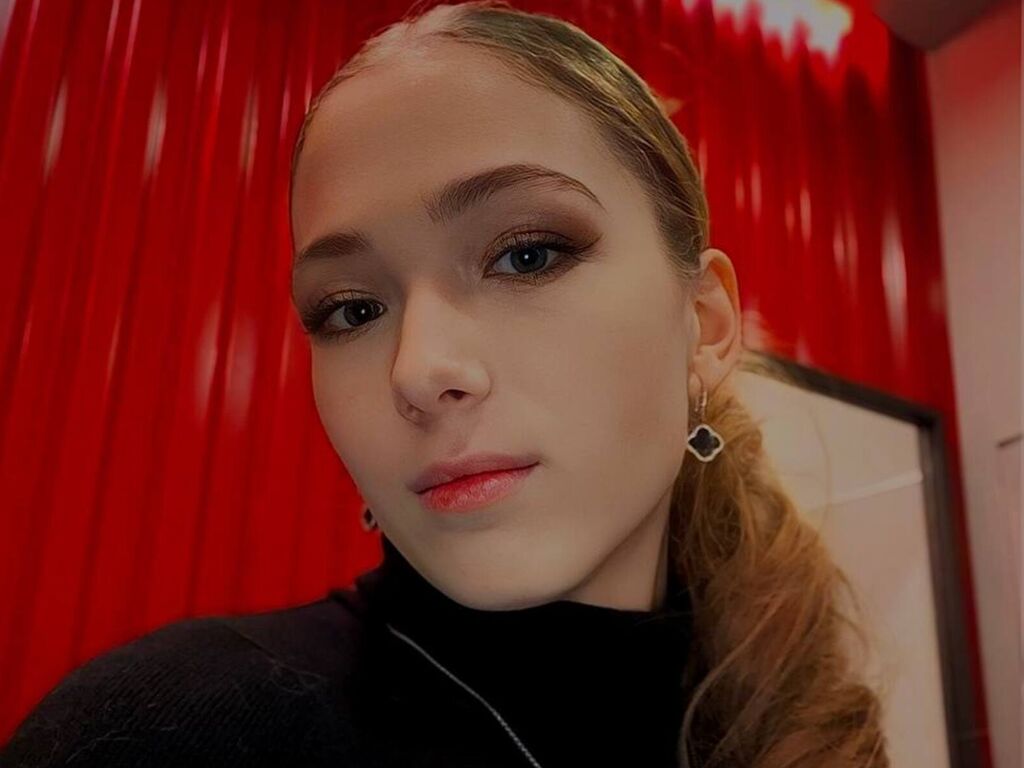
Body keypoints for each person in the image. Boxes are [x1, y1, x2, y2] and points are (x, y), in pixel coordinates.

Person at [0, 1, 890, 766]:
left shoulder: (794, 716)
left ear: (706, 323)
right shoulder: (168, 735)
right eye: (352, 309)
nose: (419, 371)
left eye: (526, 255)